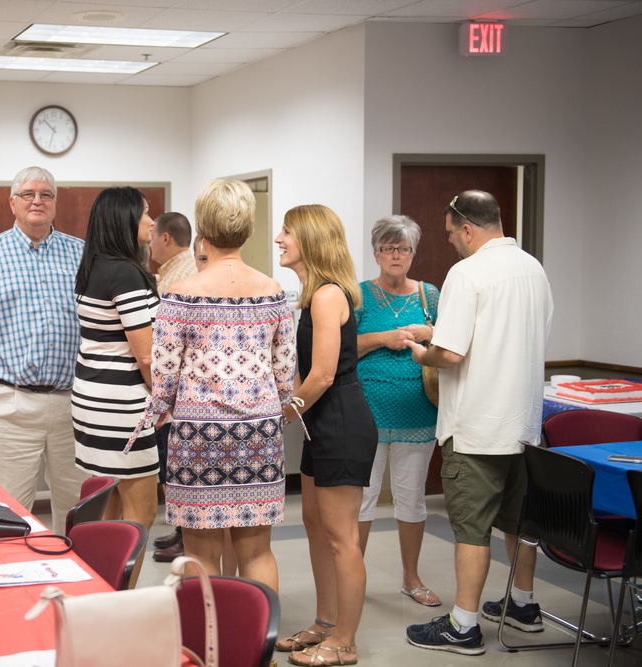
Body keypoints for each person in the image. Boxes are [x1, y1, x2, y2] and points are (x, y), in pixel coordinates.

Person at [404, 191, 553, 656]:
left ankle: (463, 625)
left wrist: (422, 351)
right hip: (524, 426)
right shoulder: (534, 269)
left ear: (467, 228)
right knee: (519, 522)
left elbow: (450, 355)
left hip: (476, 429)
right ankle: (524, 606)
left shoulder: (466, 273)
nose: (451, 243)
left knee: (472, 529)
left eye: (451, 235)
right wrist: (440, 332)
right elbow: (502, 333)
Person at [146, 178, 295, 590]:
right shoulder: (273, 291)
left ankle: (208, 644)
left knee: (200, 553)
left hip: (197, 434)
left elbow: (163, 381)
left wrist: (161, 413)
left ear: (203, 229)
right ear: (247, 228)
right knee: (258, 551)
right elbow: (285, 375)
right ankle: (255, 648)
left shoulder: (180, 294)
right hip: (259, 432)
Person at [0, 166, 86, 535]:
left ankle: (73, 591)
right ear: (12, 202)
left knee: (79, 517)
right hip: (8, 405)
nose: (37, 200)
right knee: (3, 517)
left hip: (74, 407)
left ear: (56, 203)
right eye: (28, 194)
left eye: (46, 194)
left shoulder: (83, 255)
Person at [275, 205, 378, 667]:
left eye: (287, 232)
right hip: (323, 425)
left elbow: (320, 376)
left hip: (340, 422)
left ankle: (345, 643)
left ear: (310, 240)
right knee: (316, 528)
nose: (279, 238)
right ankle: (325, 623)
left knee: (341, 538)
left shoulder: (327, 296)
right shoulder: (312, 294)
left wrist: (281, 415)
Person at [355, 215, 441, 607]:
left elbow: (454, 344)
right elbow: (344, 348)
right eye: (388, 248)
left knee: (411, 498)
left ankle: (411, 578)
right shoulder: (358, 295)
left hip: (417, 412)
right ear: (375, 253)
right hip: (366, 412)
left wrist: (430, 333)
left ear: (412, 253)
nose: (395, 255)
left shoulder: (429, 295)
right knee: (362, 499)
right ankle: (351, 577)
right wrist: (382, 338)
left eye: (403, 248)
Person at [72, 187, 160, 528]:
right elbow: (147, 356)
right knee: (140, 517)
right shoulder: (125, 274)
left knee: (106, 513)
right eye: (145, 213)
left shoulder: (92, 267)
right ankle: (124, 584)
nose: (152, 221)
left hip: (92, 400)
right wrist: (166, 401)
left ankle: (103, 582)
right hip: (123, 409)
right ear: (124, 221)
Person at [148, 212, 199, 562]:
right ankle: (182, 533)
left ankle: (187, 538)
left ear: (166, 238)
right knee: (171, 465)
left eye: (152, 234)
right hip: (178, 394)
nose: (148, 241)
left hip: (179, 395)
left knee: (176, 466)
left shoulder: (181, 279)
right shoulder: (174, 272)